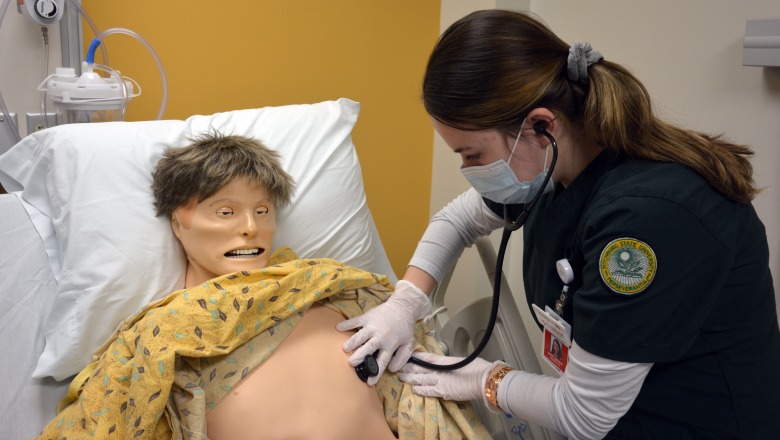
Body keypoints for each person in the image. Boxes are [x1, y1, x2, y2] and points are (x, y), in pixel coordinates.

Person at [338, 9, 780, 439]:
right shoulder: (552, 167)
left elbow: (585, 415)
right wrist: (406, 302)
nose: (469, 169)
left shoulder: (646, 220)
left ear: (541, 125)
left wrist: (486, 381)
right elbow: (457, 219)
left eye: (472, 154)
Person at [37, 133, 490, 439]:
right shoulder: (162, 337)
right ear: (179, 220)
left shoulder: (334, 289)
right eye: (225, 211)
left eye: (263, 210)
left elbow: (418, 397)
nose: (251, 227)